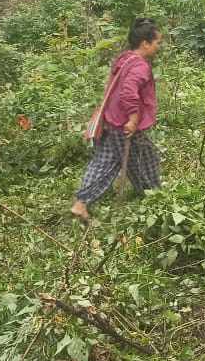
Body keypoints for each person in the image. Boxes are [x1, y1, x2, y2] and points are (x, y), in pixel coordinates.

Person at [70, 18, 163, 223]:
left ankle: (81, 203)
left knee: (104, 163)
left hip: (111, 121)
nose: (158, 47)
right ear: (145, 43)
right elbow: (129, 92)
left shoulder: (125, 58)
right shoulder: (140, 66)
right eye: (157, 42)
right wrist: (133, 118)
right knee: (145, 160)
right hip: (124, 125)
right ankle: (156, 198)